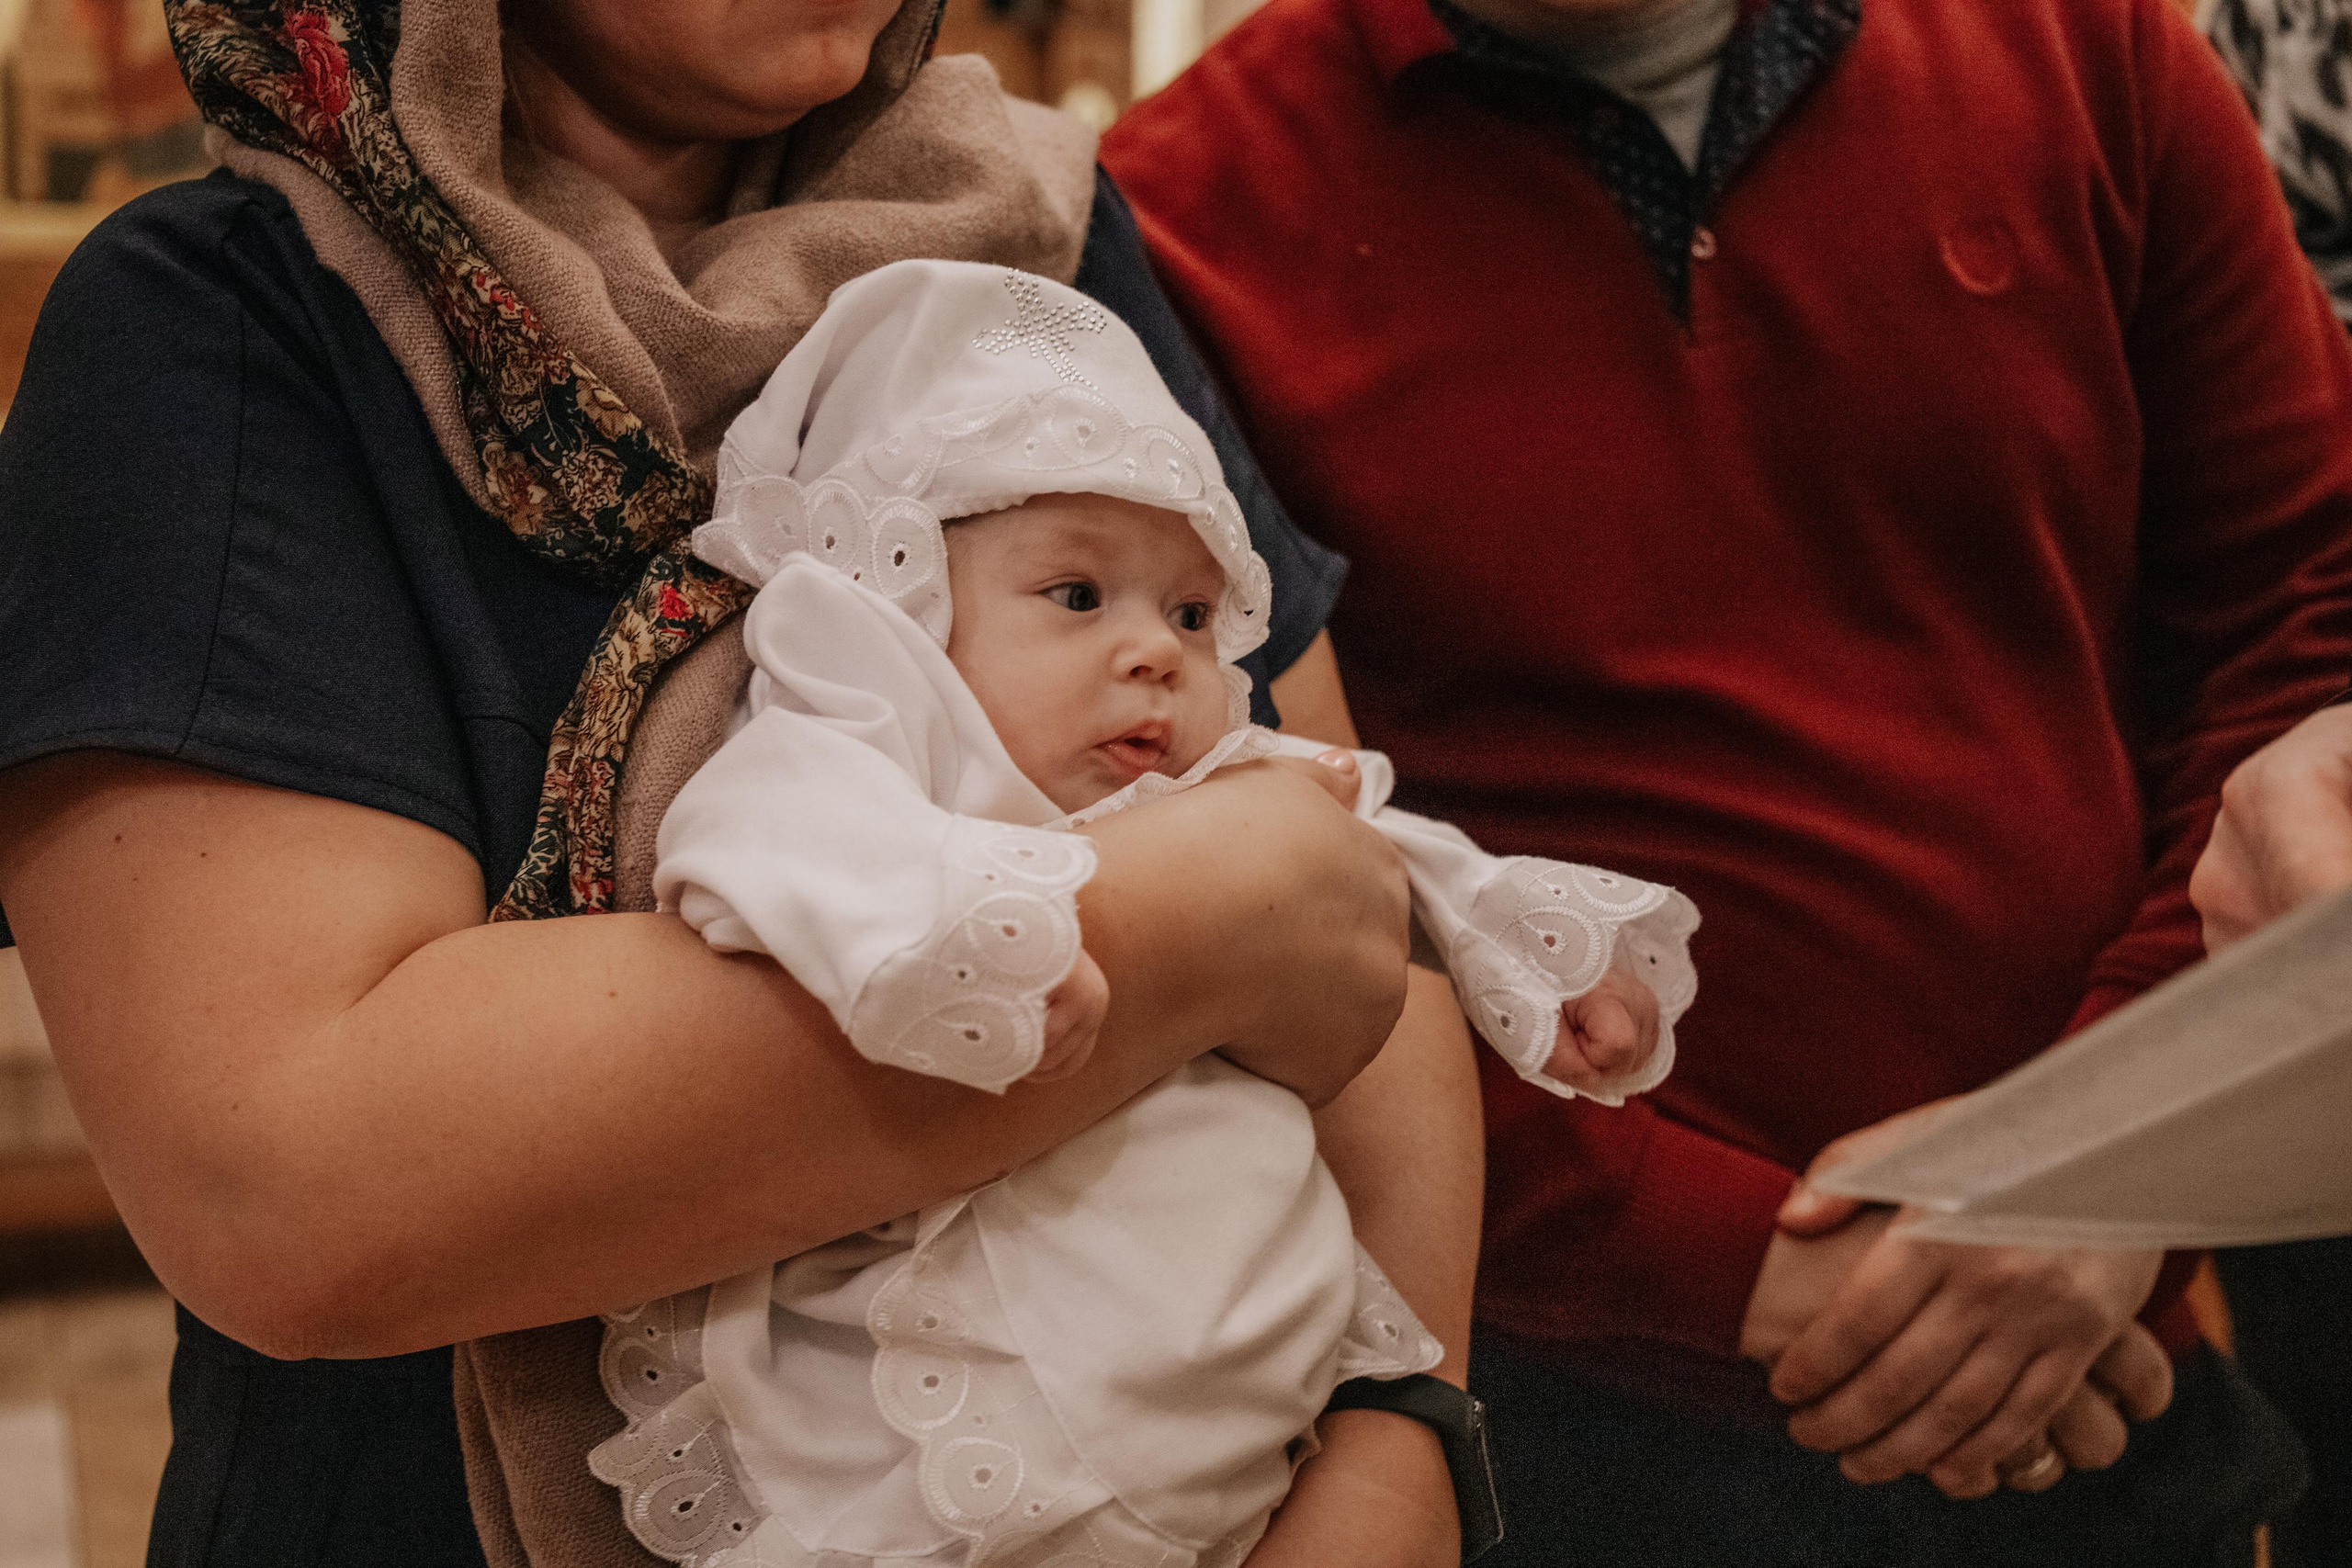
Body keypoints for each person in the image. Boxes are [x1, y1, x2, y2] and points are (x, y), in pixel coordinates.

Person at [0, 2, 1486, 1562]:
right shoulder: (222, 322)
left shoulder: (1026, 240)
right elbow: (297, 1184)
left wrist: (1403, 1437)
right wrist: (1204, 919)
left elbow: (1356, 885)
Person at [1101, 0, 2350, 1559]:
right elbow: (1214, 899)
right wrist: (1745, 1267)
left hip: (2099, 1358)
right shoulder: (1175, 216)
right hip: (1558, 1421)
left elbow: (2300, 625)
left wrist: (2110, 1168)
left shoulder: (2091, 52)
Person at [578, 256, 1693, 1565]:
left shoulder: (1220, 783)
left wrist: (1536, 959)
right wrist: (955, 939)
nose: (1156, 648)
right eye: (1076, 594)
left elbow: (1376, 832)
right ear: (906, 602)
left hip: (1249, 1454)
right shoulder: (884, 764)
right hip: (960, 1449)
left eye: (1191, 611)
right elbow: (763, 842)